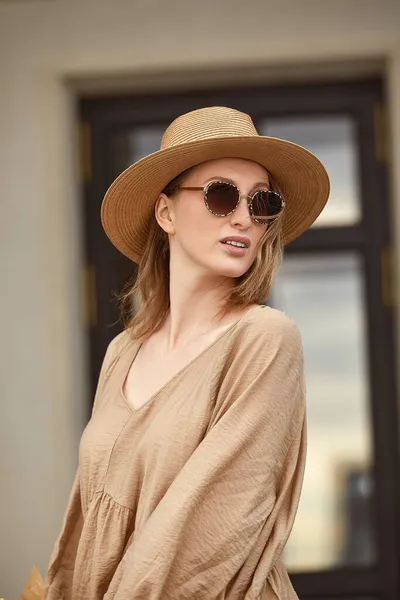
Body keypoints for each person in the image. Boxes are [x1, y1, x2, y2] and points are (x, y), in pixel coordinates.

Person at [45, 106, 330, 600]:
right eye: (221, 194)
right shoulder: (123, 352)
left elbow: (212, 526)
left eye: (262, 202)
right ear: (166, 212)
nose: (244, 216)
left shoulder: (264, 339)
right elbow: (85, 519)